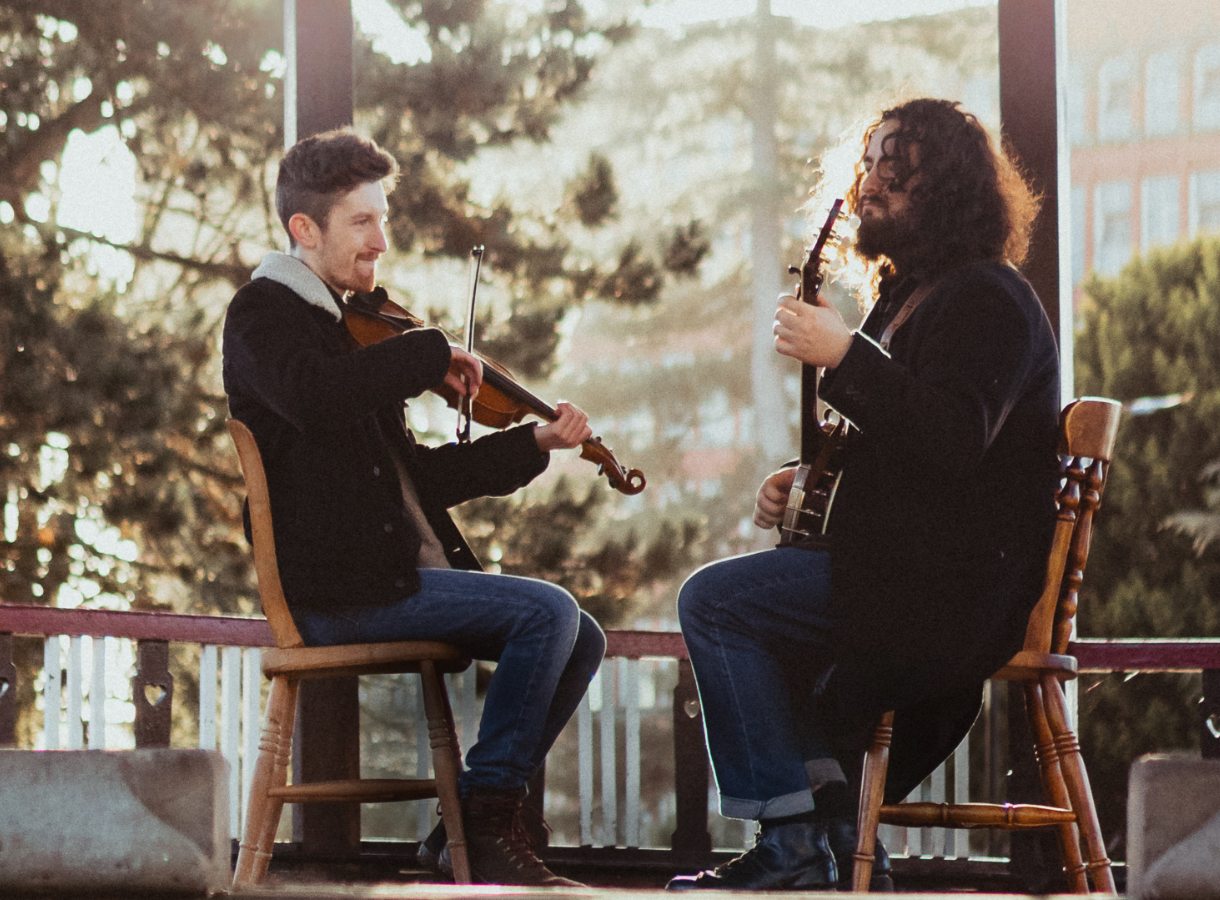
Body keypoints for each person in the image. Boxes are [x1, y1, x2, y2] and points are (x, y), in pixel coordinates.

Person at [667, 98, 1060, 891]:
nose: (870, 183)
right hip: (902, 572)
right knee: (748, 622)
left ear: (946, 186)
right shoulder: (914, 292)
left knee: (715, 604)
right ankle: (830, 838)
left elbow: (951, 440)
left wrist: (846, 354)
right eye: (870, 162)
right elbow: (899, 447)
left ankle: (796, 843)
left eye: (896, 166)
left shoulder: (988, 297)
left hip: (946, 590)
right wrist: (803, 479)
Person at [221, 128, 604, 887]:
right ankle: (489, 819)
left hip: (385, 581)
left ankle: (461, 822)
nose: (381, 242)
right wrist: (427, 353)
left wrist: (533, 442)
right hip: (337, 594)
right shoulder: (263, 317)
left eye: (381, 220)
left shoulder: (347, 330)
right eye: (362, 222)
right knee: (547, 614)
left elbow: (417, 480)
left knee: (580, 636)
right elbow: (313, 398)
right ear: (305, 228)